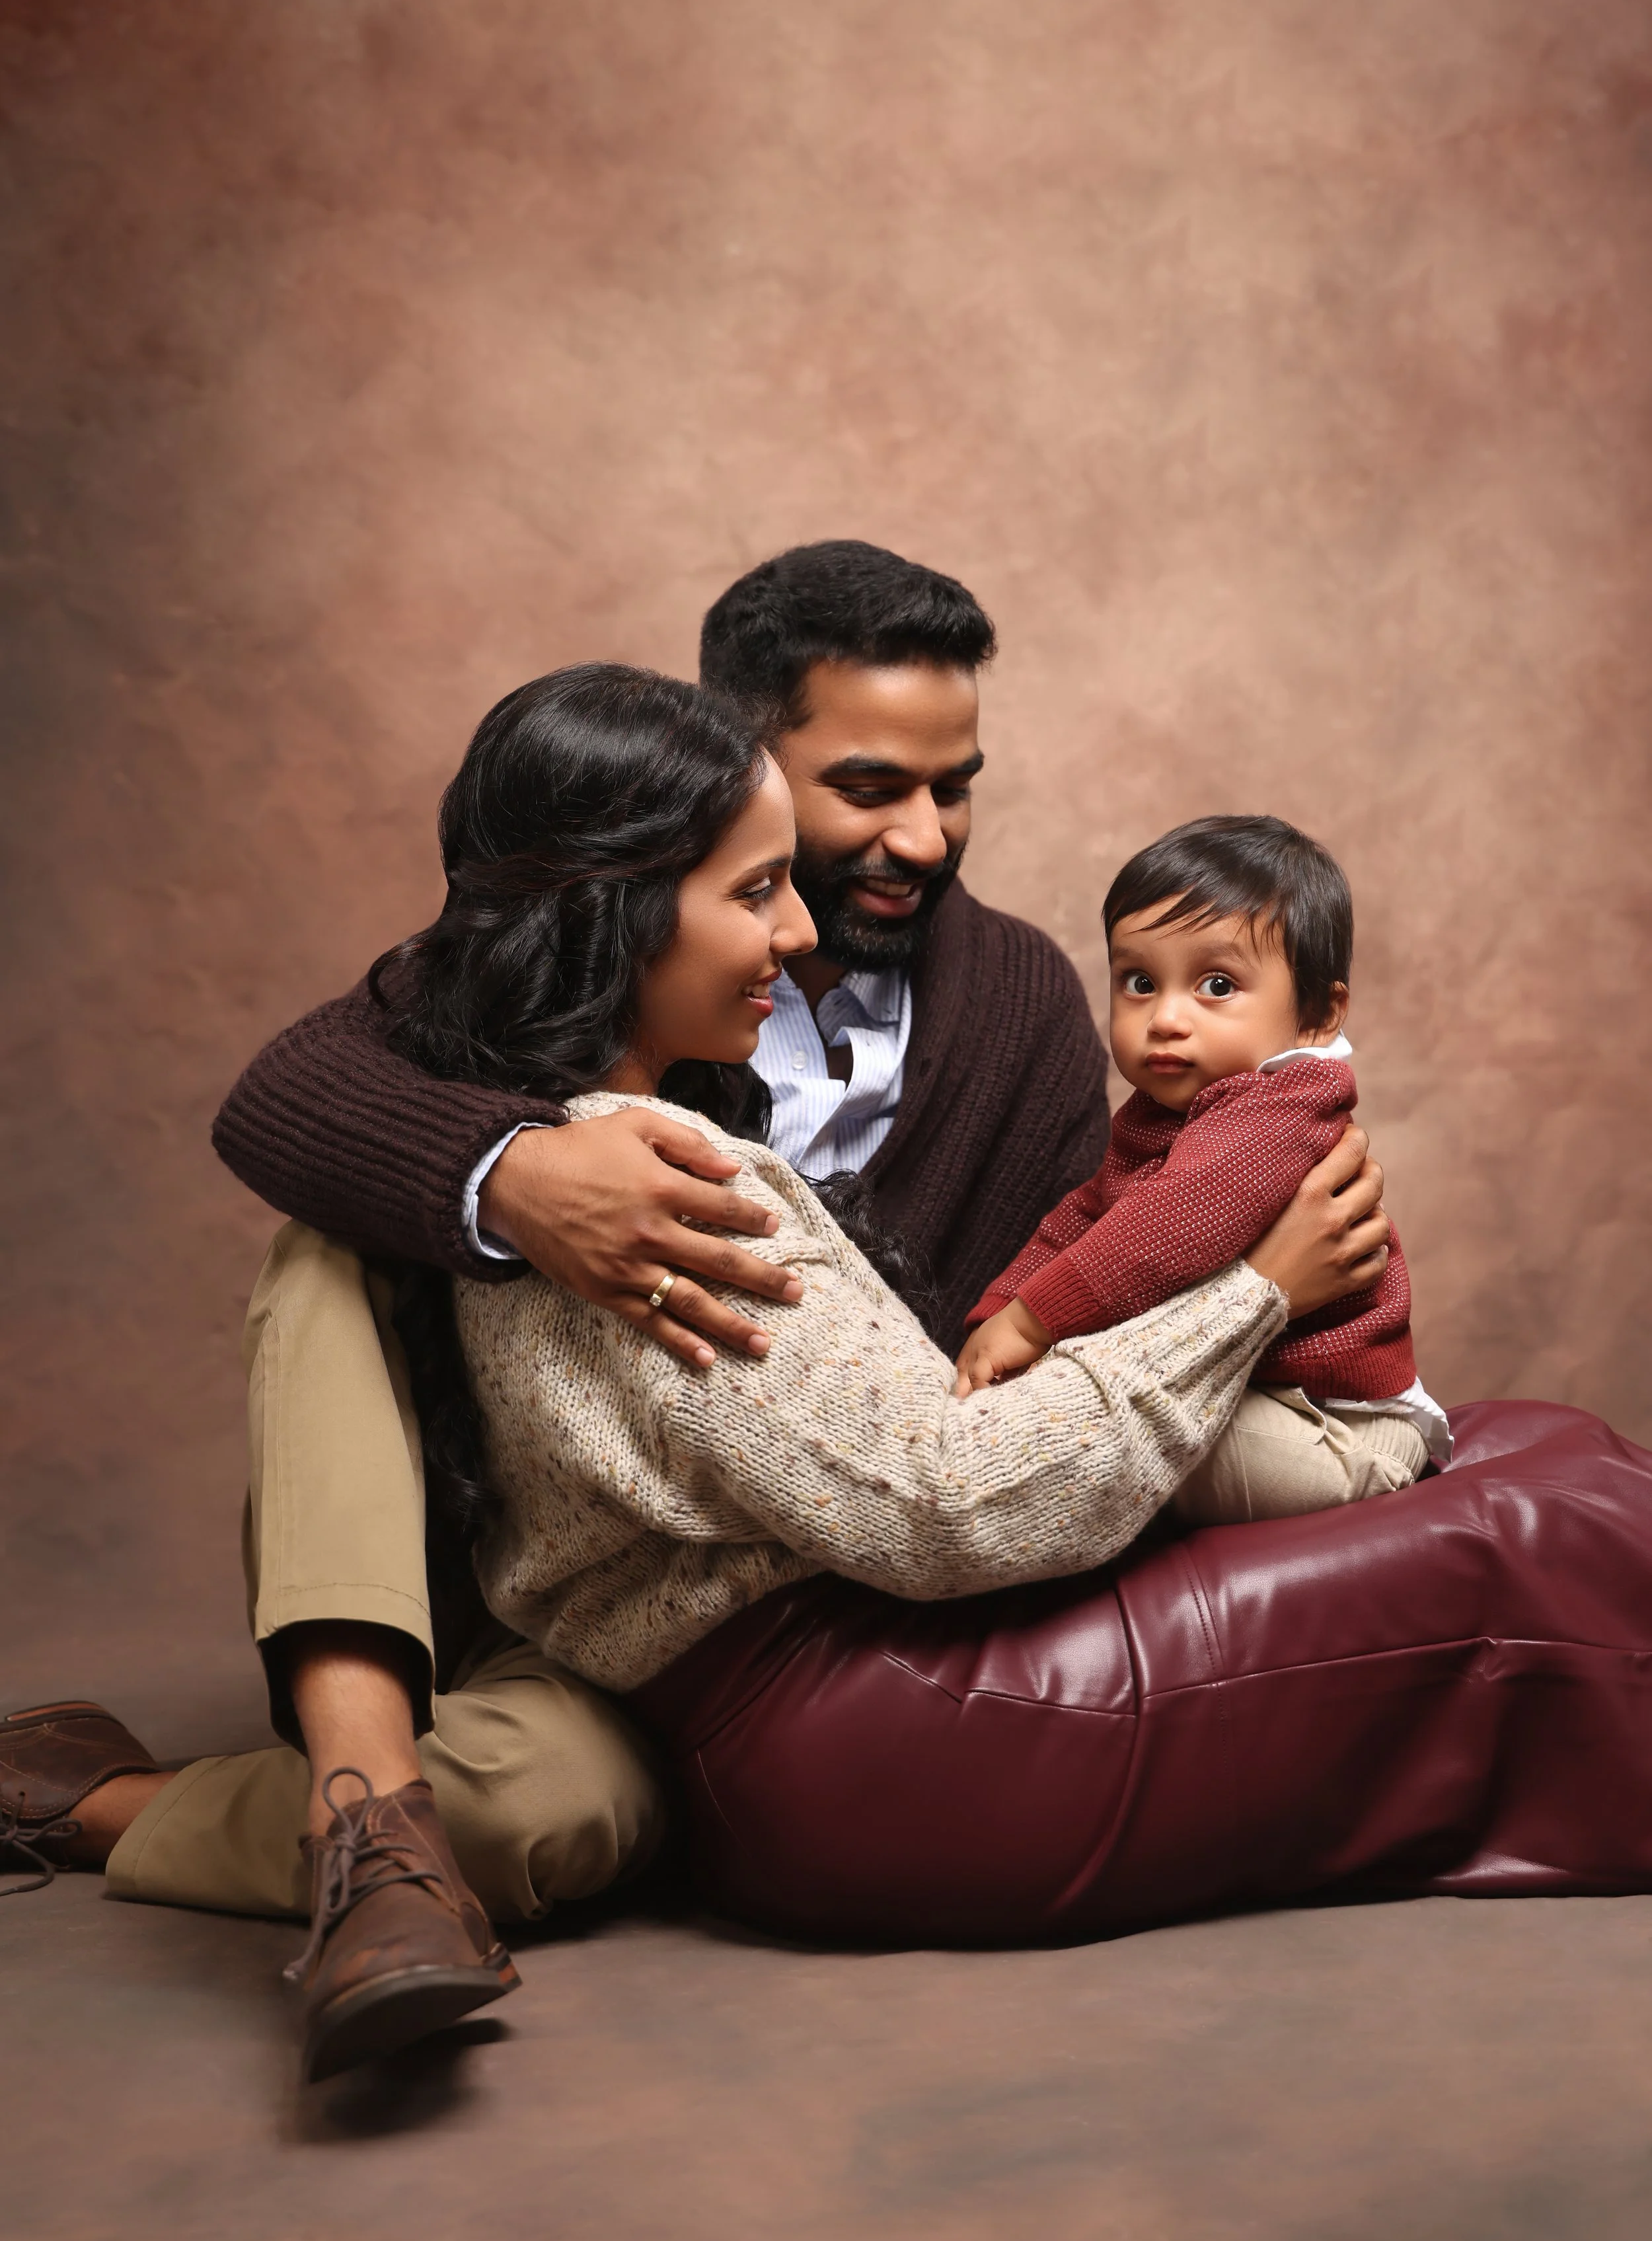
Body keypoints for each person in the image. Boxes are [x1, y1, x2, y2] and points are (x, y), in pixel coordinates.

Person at [348, 664, 1652, 1952]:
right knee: (1556, 1521)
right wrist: (1258, 1294)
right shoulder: (639, 1188)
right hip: (888, 1733)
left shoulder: (532, 1151)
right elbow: (947, 1500)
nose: (797, 930)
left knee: (1548, 1448)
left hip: (798, 1703)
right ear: (610, 913)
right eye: (755, 892)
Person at [956, 814, 1452, 1525]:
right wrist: (995, 1315)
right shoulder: (1161, 1113)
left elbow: (1164, 1230)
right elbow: (1085, 1219)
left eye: (1216, 985)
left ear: (1316, 1014)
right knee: (1079, 1413)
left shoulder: (1279, 1105)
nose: (1165, 1017)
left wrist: (1034, 1325)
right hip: (1241, 1385)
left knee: (1097, 1445)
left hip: (1333, 1427)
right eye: (1138, 981)